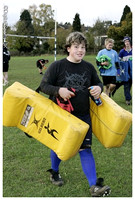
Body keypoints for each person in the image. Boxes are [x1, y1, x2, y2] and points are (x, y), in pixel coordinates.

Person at [39, 32, 111, 197]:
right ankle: (54, 172)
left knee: (85, 149)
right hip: (61, 116)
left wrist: (99, 88)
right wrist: (59, 90)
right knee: (59, 146)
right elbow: (43, 85)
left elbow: (97, 82)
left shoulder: (88, 67)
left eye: (83, 47)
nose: (80, 50)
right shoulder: (57, 66)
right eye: (76, 47)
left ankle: (94, 187)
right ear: (68, 48)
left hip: (83, 116)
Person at [118, 36, 132, 105]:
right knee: (126, 85)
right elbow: (118, 62)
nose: (127, 43)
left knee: (131, 85)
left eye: (128, 41)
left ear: (130, 42)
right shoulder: (122, 52)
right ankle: (128, 99)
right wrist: (118, 72)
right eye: (125, 42)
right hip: (125, 72)